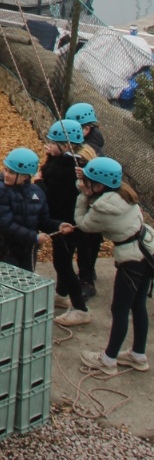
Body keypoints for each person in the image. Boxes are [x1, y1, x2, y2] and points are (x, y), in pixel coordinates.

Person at [76, 156, 153, 375]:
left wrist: (82, 195)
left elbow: (83, 223)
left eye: (88, 181)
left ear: (99, 186)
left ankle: (108, 360)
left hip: (132, 261)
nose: (84, 184)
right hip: (147, 251)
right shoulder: (124, 193)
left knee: (119, 310)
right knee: (138, 305)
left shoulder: (103, 208)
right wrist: (87, 185)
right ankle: (138, 355)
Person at [40, 119, 92, 327]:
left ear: (65, 145)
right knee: (64, 258)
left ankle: (80, 308)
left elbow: (50, 191)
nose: (50, 145)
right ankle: (61, 295)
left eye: (54, 143)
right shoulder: (76, 163)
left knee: (62, 264)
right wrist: (50, 156)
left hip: (66, 224)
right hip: (69, 222)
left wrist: (38, 182)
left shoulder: (64, 168)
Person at [0, 147, 71, 271]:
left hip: (28, 248)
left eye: (12, 172)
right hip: (7, 246)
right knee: (7, 276)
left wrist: (58, 226)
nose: (6, 175)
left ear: (25, 176)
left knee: (27, 276)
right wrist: (34, 237)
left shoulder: (36, 192)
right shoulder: (1, 191)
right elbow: (5, 224)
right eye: (5, 170)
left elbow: (43, 220)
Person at [66, 103, 106, 296]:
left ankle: (87, 281)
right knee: (91, 241)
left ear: (86, 129)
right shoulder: (92, 145)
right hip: (93, 202)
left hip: (91, 203)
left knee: (86, 242)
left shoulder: (88, 151)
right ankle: (89, 271)